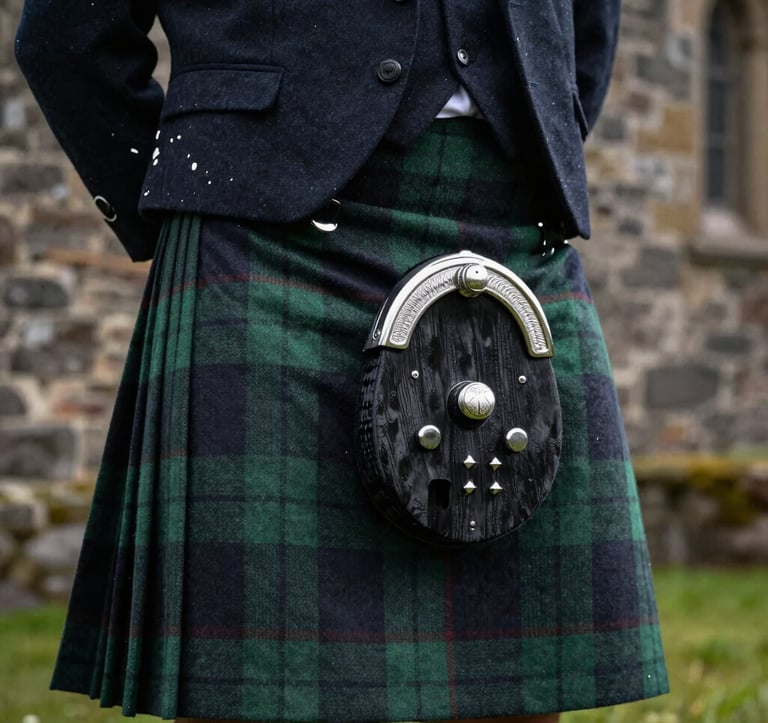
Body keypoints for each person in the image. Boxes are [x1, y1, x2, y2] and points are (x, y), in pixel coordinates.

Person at [15, 1, 668, 721]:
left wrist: (542, 141)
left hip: (509, 231)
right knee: (258, 683)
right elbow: (68, 36)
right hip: (264, 240)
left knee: (523, 683)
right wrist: (204, 194)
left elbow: (585, 34)